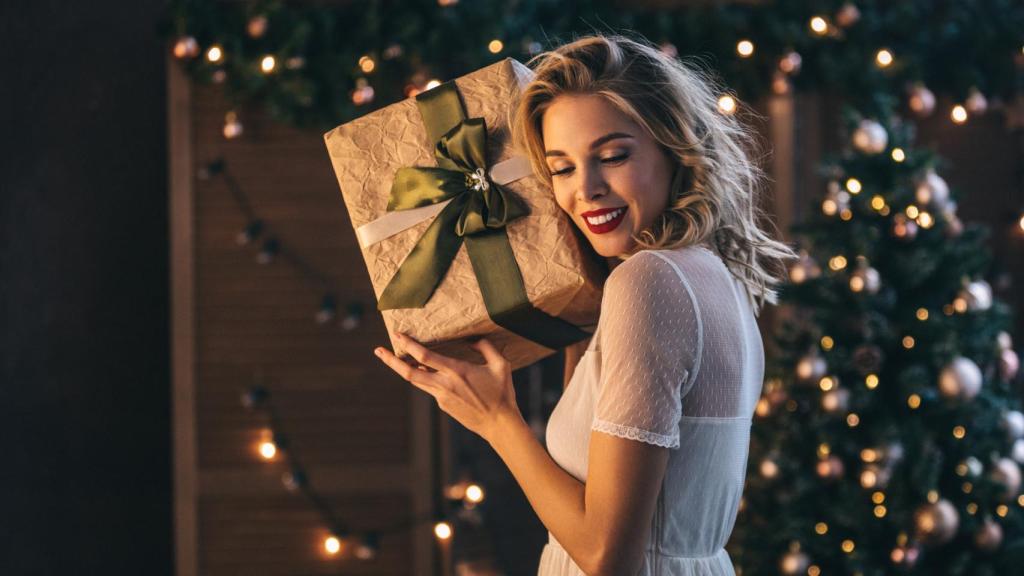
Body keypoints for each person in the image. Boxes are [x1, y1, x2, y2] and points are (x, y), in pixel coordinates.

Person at [373, 32, 798, 576]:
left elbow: (606, 558)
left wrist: (497, 419)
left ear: (674, 148)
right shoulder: (709, 274)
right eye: (563, 168)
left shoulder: (651, 282)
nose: (587, 189)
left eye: (613, 156)